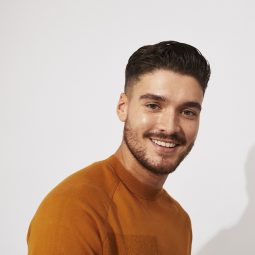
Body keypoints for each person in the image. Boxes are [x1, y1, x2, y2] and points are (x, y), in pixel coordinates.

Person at [27, 40, 211, 255]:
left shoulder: (179, 221)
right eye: (153, 106)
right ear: (123, 107)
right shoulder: (73, 208)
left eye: (188, 112)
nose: (169, 127)